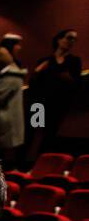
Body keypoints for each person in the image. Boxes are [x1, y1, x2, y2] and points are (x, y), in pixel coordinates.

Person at [27, 29, 81, 159]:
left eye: (74, 39)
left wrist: (67, 78)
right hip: (39, 103)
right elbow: (33, 83)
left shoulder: (74, 61)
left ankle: (40, 163)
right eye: (69, 38)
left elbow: (76, 84)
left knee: (49, 134)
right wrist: (38, 71)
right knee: (32, 132)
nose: (71, 41)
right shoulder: (46, 60)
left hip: (58, 104)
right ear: (59, 40)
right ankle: (23, 164)